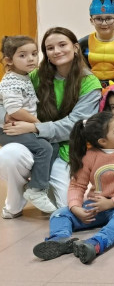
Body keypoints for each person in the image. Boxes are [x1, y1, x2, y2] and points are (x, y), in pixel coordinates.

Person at [0, 27, 101, 219]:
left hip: (65, 148)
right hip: (37, 143)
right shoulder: (33, 76)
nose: (56, 51)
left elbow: (76, 124)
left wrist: (34, 126)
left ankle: (41, 188)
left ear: (76, 47)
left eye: (62, 45)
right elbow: (3, 100)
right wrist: (6, 117)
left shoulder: (89, 82)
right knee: (9, 155)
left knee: (65, 208)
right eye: (50, 48)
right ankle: (14, 203)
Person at [32, 111, 114, 264]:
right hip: (97, 206)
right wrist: (76, 207)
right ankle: (60, 240)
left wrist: (112, 202)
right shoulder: (90, 156)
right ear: (103, 141)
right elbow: (77, 185)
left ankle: (96, 243)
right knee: (59, 214)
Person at [0, 36, 57, 213]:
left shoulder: (23, 77)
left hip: (22, 127)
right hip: (11, 131)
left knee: (53, 145)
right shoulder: (12, 81)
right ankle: (36, 190)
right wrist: (38, 123)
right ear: (9, 60)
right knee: (45, 148)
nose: (31, 59)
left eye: (34, 54)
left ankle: (37, 184)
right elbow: (15, 110)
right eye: (23, 55)